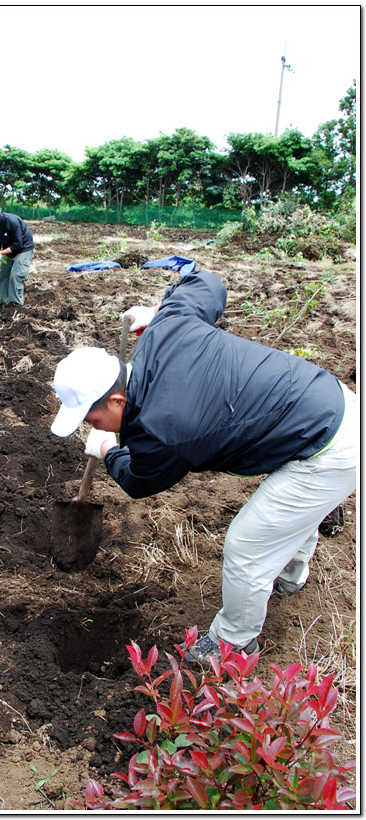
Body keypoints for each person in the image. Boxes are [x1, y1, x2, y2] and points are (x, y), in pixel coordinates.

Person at [50, 270, 356, 665]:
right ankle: (290, 575)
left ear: (118, 401)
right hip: (322, 400)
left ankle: (234, 643)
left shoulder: (166, 428)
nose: (93, 430)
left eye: (93, 422)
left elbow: (139, 480)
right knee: (287, 515)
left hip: (328, 447)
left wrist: (109, 449)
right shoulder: (166, 330)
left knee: (248, 544)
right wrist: (160, 311)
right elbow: (207, 282)